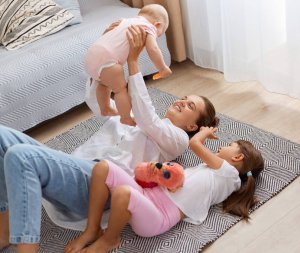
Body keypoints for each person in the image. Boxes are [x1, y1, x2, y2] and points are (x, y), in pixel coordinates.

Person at [0, 25, 218, 253]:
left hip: (99, 186)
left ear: (193, 125)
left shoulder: (177, 139)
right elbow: (98, 103)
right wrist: (106, 58)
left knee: (20, 155)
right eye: (184, 98)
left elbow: (148, 119)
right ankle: (4, 231)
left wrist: (134, 62)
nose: (181, 102)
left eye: (190, 105)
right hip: (77, 167)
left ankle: (27, 248)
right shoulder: (132, 113)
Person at [65, 126, 264, 253]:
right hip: (148, 197)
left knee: (123, 193)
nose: (222, 147)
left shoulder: (229, 175)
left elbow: (194, 143)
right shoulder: (214, 172)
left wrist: (203, 133)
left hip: (158, 216)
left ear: (238, 158)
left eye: (230, 145)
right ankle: (93, 229)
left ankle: (110, 239)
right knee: (103, 167)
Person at [85, 4, 172, 126]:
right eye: (160, 34)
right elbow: (153, 49)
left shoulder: (124, 21)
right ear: (158, 25)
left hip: (92, 54)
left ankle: (105, 108)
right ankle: (125, 117)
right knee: (120, 90)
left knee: (103, 83)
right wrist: (162, 68)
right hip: (108, 59)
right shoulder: (149, 27)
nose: (156, 36)